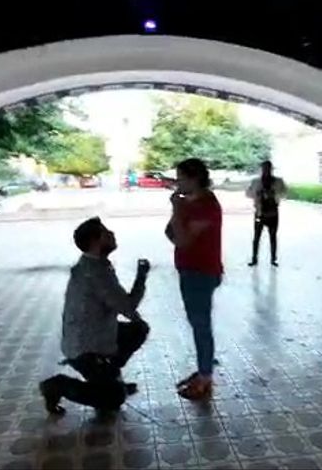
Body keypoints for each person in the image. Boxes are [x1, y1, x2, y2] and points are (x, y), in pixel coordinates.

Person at [39, 217, 150, 415]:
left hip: (96, 338)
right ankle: (57, 385)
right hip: (86, 350)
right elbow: (128, 307)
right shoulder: (95, 273)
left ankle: (109, 376)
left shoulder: (93, 264)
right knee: (113, 399)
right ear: (94, 241)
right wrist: (141, 277)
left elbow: (124, 308)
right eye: (106, 233)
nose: (112, 235)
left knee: (138, 329)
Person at [165, 158, 223, 401]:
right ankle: (203, 368)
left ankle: (206, 378)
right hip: (189, 270)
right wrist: (178, 214)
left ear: (194, 178)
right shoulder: (190, 204)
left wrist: (177, 211)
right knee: (197, 323)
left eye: (181, 178)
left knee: (201, 325)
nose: (177, 183)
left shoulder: (207, 205)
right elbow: (170, 232)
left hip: (201, 272)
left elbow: (183, 241)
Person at [246, 161, 287, 267]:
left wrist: (274, 194)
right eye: (264, 168)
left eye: (268, 168)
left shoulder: (278, 182)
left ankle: (273, 259)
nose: (266, 171)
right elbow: (248, 193)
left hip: (273, 213)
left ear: (271, 169)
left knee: (272, 236)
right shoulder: (256, 182)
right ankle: (254, 258)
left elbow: (285, 192)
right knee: (256, 237)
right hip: (260, 213)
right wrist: (257, 194)